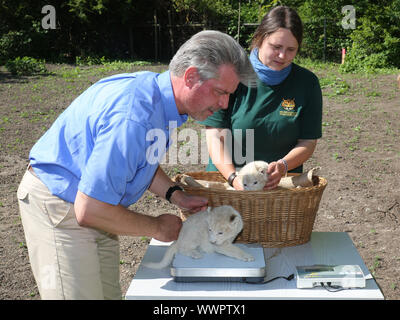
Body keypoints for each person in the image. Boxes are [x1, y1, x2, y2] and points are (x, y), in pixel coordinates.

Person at [17, 30, 257, 300]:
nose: (223, 104)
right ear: (190, 77)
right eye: (219, 92)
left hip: (92, 204)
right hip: (61, 206)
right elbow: (90, 209)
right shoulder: (135, 117)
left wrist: (175, 195)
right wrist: (157, 227)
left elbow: (142, 159)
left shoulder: (159, 98)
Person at [199, 6, 323, 190]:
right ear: (260, 38)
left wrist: (283, 166)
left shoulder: (307, 83)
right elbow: (216, 135)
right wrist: (234, 178)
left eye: (291, 49)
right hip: (228, 185)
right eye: (276, 47)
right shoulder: (232, 75)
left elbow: (308, 141)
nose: (282, 56)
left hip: (280, 188)